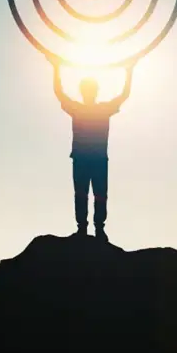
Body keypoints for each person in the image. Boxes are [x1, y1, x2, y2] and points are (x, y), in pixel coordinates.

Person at [53, 62, 133, 241]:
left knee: (98, 194)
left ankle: (97, 229)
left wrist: (129, 72)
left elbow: (124, 95)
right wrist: (56, 69)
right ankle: (85, 228)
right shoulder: (83, 108)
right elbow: (59, 93)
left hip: (95, 159)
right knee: (84, 193)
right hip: (87, 159)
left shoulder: (97, 109)